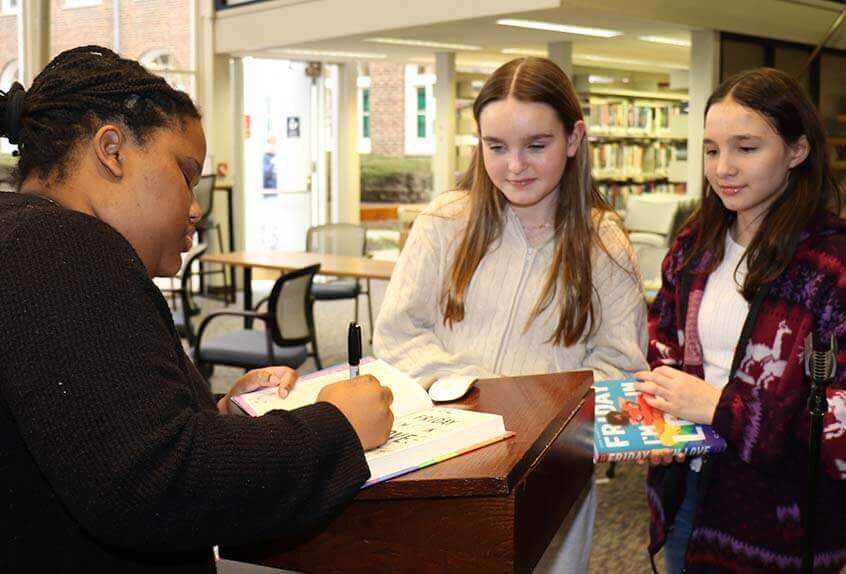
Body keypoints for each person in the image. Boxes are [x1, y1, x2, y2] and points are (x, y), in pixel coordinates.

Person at [0, 45, 394, 573]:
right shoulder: (66, 247)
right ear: (112, 150)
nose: (196, 207)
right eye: (185, 175)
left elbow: (91, 437)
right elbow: (153, 483)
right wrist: (337, 426)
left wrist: (212, 417)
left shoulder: (21, 237)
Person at [374, 57, 648, 573]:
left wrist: (538, 420)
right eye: (495, 147)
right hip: (447, 457)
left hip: (552, 471)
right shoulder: (444, 222)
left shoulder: (604, 243)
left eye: (536, 146)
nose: (514, 166)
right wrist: (478, 393)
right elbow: (398, 337)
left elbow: (621, 367)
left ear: (573, 138)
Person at [634, 67, 846, 573]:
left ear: (797, 150)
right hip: (690, 492)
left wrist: (721, 408)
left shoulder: (832, 267)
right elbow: (662, 340)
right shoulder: (695, 245)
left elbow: (837, 425)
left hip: (783, 523)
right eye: (711, 149)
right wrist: (656, 418)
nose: (723, 168)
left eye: (746, 148)